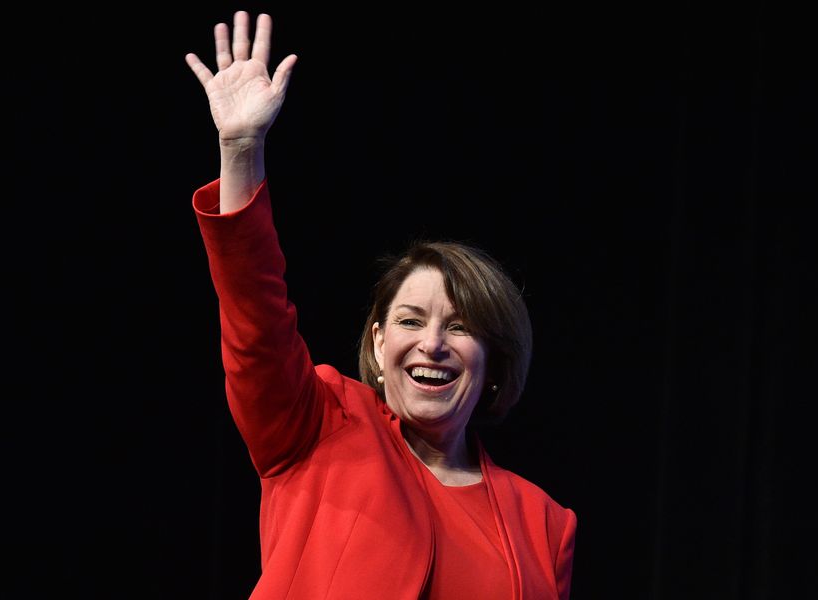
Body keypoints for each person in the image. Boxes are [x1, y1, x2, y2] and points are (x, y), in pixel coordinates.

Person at [184, 11, 576, 599]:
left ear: (494, 359)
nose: (433, 343)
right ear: (376, 341)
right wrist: (242, 151)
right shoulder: (317, 426)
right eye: (411, 320)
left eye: (461, 327)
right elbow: (256, 321)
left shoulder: (545, 524)